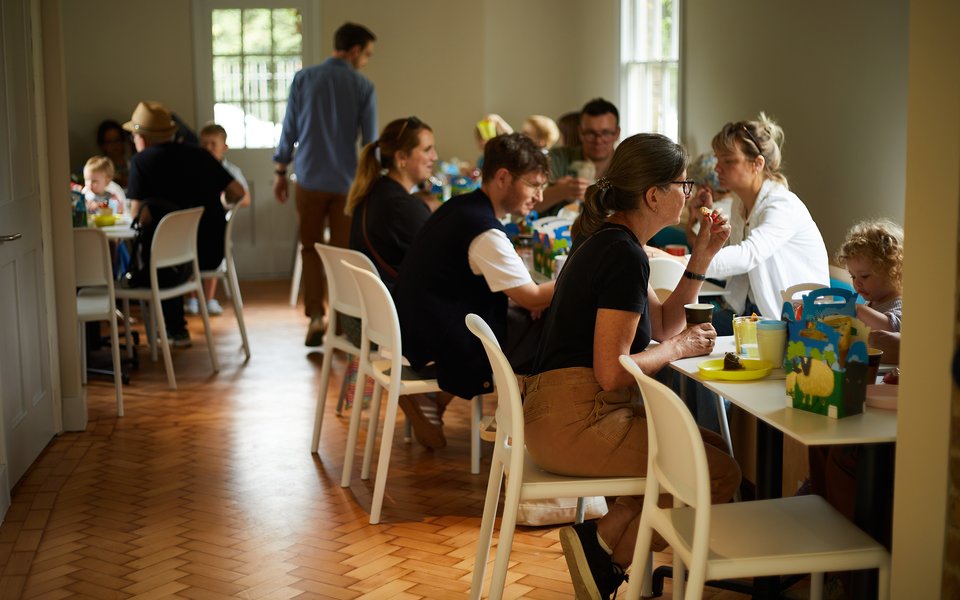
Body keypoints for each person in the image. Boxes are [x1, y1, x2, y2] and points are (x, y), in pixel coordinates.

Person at [523, 133, 741, 599]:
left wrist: (701, 257)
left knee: (711, 444)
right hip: (577, 420)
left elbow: (661, 325)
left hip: (560, 412)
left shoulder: (614, 242)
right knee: (717, 472)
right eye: (682, 184)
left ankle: (601, 543)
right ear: (654, 194)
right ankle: (606, 553)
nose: (689, 193)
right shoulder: (622, 254)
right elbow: (614, 372)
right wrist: (680, 349)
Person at [394, 133, 555, 449]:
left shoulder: (461, 206)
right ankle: (524, 422)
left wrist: (530, 297)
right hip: (438, 337)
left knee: (527, 314)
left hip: (417, 324)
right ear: (503, 178)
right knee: (551, 327)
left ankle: (436, 401)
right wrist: (583, 268)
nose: (538, 196)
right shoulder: (484, 231)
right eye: (533, 185)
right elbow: (533, 297)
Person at [273, 22, 378, 347]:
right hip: (347, 184)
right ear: (355, 49)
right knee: (345, 254)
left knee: (311, 249)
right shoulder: (363, 85)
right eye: (367, 54)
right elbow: (370, 141)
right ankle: (343, 321)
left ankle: (316, 317)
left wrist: (280, 170)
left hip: (309, 179)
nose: (366, 61)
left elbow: (289, 128)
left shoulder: (304, 79)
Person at [123, 101, 245, 347]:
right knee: (166, 250)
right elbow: (237, 191)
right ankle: (176, 328)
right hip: (209, 252)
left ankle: (172, 328)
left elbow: (137, 215)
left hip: (168, 261)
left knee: (155, 250)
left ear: (143, 138)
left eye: (135, 135)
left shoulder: (142, 161)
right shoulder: (200, 154)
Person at [699, 113, 829, 329]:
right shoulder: (739, 204)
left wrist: (684, 264)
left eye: (728, 161)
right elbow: (737, 269)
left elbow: (747, 255)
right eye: (718, 159)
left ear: (757, 164)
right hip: (748, 312)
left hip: (796, 325)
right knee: (681, 329)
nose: (717, 168)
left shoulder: (782, 205)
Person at [346, 116, 436, 291]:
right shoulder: (402, 207)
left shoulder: (372, 191)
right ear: (402, 157)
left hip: (372, 303)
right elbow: (442, 258)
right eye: (427, 150)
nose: (435, 157)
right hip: (398, 309)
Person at [183, 123, 252, 317]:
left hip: (218, 225)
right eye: (204, 144)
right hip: (195, 223)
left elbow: (245, 198)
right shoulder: (194, 171)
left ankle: (209, 298)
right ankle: (191, 298)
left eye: (213, 144)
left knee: (213, 245)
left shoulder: (230, 172)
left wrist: (226, 200)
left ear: (224, 148)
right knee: (189, 245)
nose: (208, 149)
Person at [540, 98, 621, 214]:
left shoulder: (627, 165)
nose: (598, 140)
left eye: (606, 133)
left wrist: (592, 198)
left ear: (617, 133)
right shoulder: (558, 158)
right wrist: (562, 191)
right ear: (580, 132)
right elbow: (528, 204)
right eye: (590, 133)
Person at [837, 218, 903, 358]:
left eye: (865, 276)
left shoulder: (901, 303)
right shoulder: (872, 304)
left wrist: (858, 309)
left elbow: (889, 329)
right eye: (853, 276)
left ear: (892, 271)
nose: (857, 283)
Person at [96, 120, 131, 189]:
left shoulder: (132, 164)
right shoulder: (98, 168)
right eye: (109, 142)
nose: (114, 145)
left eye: (117, 140)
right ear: (103, 145)